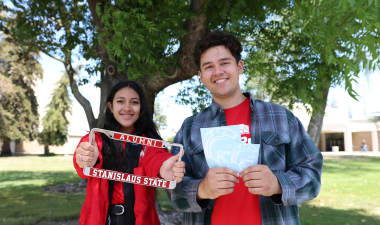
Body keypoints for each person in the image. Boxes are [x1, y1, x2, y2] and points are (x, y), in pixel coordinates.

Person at [168, 31, 323, 225]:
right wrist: (201, 189)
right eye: (208, 67)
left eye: (225, 63)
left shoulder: (281, 117)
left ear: (239, 66)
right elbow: (171, 186)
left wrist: (278, 184)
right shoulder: (189, 128)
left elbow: (312, 175)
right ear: (200, 76)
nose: (217, 72)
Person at [73, 81, 185, 225]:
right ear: (110, 107)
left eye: (134, 102)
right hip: (99, 219)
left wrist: (163, 167)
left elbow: (155, 156)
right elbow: (82, 164)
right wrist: (87, 159)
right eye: (120, 101)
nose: (127, 108)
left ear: (141, 108)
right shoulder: (95, 140)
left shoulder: (148, 142)